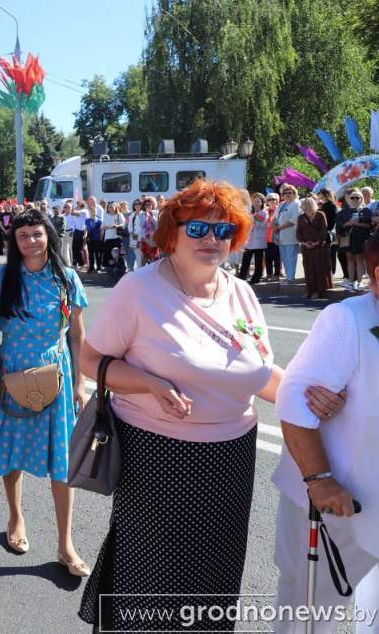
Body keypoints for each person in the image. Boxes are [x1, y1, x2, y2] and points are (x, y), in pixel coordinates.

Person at [76, 180, 344, 632]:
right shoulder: (138, 289)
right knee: (155, 579)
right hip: (157, 460)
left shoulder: (240, 292)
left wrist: (317, 400)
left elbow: (260, 374)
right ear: (172, 231)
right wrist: (145, 382)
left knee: (214, 580)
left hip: (231, 460)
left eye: (224, 231)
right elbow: (89, 359)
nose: (212, 240)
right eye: (198, 227)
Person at [0, 209, 91, 574]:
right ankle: (15, 519)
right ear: (14, 243)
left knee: (62, 461)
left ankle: (66, 544)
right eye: (23, 236)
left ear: (48, 236)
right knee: (13, 452)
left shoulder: (66, 279)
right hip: (12, 370)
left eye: (37, 234)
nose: (31, 241)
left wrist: (81, 382)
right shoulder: (3, 276)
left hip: (58, 373)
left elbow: (78, 336)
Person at [270, 237, 379, 634]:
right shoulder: (349, 320)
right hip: (339, 506)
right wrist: (320, 480)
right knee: (311, 609)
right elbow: (297, 403)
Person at [335, 190, 373, 291]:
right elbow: (340, 225)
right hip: (348, 238)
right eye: (352, 197)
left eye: (357, 197)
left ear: (361, 199)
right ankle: (351, 282)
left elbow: (369, 225)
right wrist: (348, 223)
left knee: (359, 260)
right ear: (348, 199)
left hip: (361, 238)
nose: (355, 199)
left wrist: (356, 224)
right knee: (350, 260)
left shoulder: (366, 211)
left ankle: (359, 282)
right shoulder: (343, 212)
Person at [297, 197, 333, 299]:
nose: (301, 206)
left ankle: (319, 291)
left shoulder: (320, 215)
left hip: (319, 247)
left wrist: (317, 242)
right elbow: (298, 232)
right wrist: (304, 243)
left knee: (319, 268)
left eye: (303, 204)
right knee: (308, 268)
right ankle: (310, 290)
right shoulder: (301, 217)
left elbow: (324, 230)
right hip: (306, 247)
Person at [273, 183, 301, 285]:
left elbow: (294, 220)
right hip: (281, 236)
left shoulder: (297, 204)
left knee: (291, 258)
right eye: (285, 193)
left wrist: (279, 227)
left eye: (290, 192)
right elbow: (275, 218)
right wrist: (275, 226)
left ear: (294, 193)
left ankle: (290, 278)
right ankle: (287, 276)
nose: (287, 194)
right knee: (284, 258)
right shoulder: (281, 204)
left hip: (291, 235)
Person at [238, 192, 268, 284]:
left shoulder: (264, 212)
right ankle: (242, 276)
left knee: (258, 261)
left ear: (262, 202)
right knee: (246, 259)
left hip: (259, 240)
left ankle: (256, 278)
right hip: (249, 239)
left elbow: (262, 225)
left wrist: (254, 219)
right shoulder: (250, 212)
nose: (256, 203)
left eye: (258, 201)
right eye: (254, 201)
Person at [317, 188, 340, 277]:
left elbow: (333, 220)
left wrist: (328, 230)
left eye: (320, 193)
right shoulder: (323, 205)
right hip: (323, 232)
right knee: (325, 254)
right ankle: (326, 272)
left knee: (331, 253)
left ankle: (331, 272)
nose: (318, 194)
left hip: (329, 232)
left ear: (325, 194)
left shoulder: (331, 205)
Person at [265, 192, 283, 281]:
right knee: (268, 257)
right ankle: (269, 274)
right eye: (269, 199)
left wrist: (270, 224)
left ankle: (277, 274)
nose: (271, 201)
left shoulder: (279, 210)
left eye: (273, 199)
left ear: (277, 201)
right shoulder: (265, 211)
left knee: (276, 257)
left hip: (276, 237)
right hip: (266, 238)